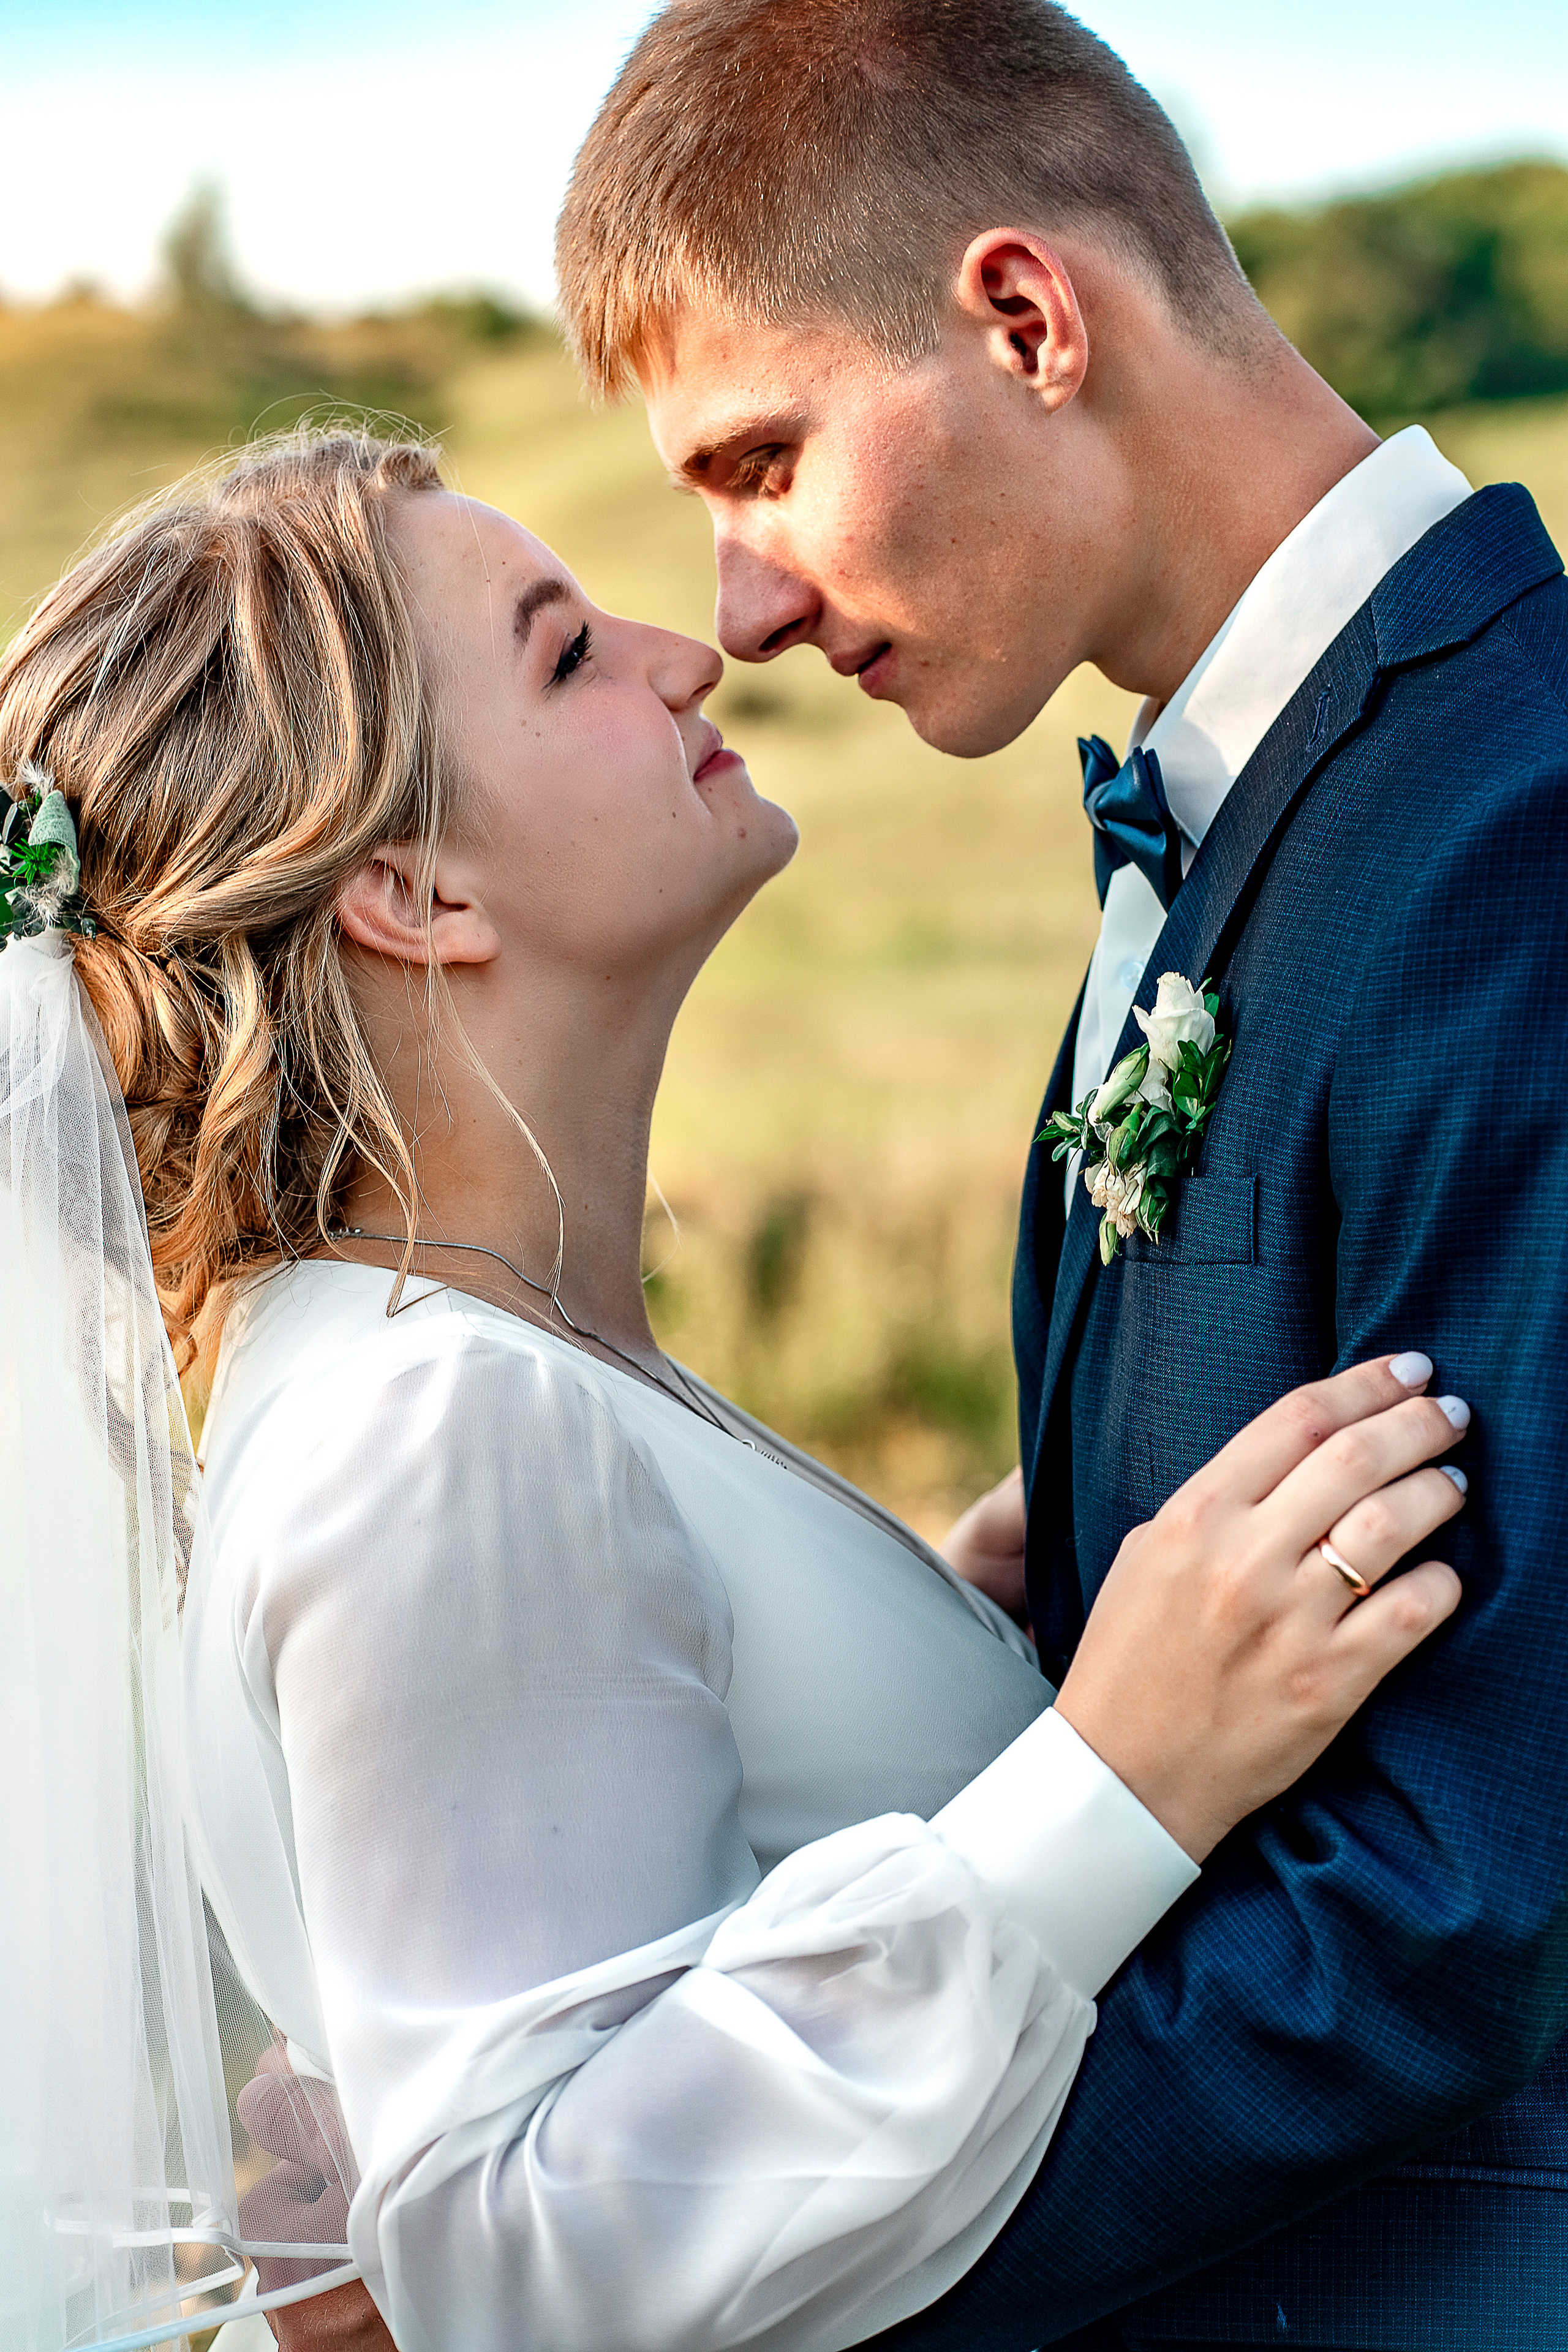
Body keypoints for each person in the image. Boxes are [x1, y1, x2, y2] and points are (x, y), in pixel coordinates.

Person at [0, 429, 1466, 2352]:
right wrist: (1119, 1774)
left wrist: (927, 1642)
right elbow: (527, 2258)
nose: (684, 654)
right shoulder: (436, 1431)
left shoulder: (471, 1369)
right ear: (416, 894)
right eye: (563, 655)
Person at [552, 2, 1568, 2345]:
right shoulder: (1235, 821)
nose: (742, 609)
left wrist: (778, 2268)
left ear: (1025, 319)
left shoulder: (1516, 836)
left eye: (765, 459)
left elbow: (1469, 1888)